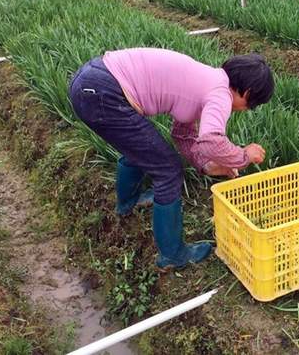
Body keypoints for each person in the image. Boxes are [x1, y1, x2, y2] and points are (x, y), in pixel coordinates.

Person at [69, 48, 274, 270]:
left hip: (90, 81)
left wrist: (206, 166)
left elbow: (183, 135)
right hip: (103, 92)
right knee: (168, 170)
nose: (245, 110)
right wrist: (243, 156)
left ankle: (128, 202)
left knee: (142, 149)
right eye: (251, 105)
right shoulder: (220, 94)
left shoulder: (205, 79)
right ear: (247, 92)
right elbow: (212, 141)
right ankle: (173, 255)